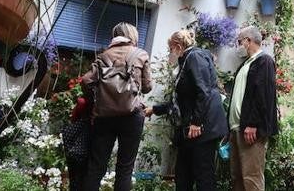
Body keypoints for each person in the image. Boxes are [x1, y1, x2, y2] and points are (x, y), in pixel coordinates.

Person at [148, 29, 228, 191]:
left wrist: (196, 123)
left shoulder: (195, 57)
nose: (170, 53)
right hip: (192, 129)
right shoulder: (187, 61)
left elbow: (203, 91)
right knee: (183, 174)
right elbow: (183, 100)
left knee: (203, 175)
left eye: (170, 49)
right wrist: (155, 109)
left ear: (178, 46)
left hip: (203, 128)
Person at [81, 22, 151, 191]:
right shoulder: (140, 55)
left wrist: (95, 103)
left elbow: (85, 81)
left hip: (104, 117)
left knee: (96, 166)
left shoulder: (103, 56)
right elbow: (148, 87)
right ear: (132, 36)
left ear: (115, 35)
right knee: (125, 168)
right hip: (131, 116)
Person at [228, 26, 279, 191]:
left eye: (239, 42)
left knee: (252, 179)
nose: (238, 46)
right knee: (238, 178)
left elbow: (263, 95)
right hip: (237, 129)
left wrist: (253, 124)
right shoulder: (245, 65)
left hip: (250, 129)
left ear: (248, 41)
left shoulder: (264, 61)